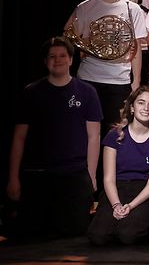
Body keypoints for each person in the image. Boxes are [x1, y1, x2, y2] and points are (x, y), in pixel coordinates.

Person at [7, 38, 102, 242]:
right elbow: (19, 138)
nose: (57, 60)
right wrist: (13, 178)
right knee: (31, 233)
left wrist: (91, 176)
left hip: (74, 173)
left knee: (75, 231)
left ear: (71, 60)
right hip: (38, 173)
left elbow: (94, 137)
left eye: (62, 56)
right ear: (45, 61)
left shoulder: (87, 92)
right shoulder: (31, 92)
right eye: (52, 56)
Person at [70, 0, 146, 128]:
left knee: (114, 133)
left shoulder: (133, 9)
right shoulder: (85, 7)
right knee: (86, 132)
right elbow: (73, 40)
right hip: (88, 79)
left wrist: (136, 82)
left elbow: (135, 48)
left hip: (119, 81)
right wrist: (96, 43)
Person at [88, 86, 149, 246]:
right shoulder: (115, 135)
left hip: (144, 191)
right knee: (98, 235)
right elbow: (108, 179)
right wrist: (116, 205)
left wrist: (131, 205)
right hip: (117, 189)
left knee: (128, 234)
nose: (146, 108)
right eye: (141, 103)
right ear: (132, 107)